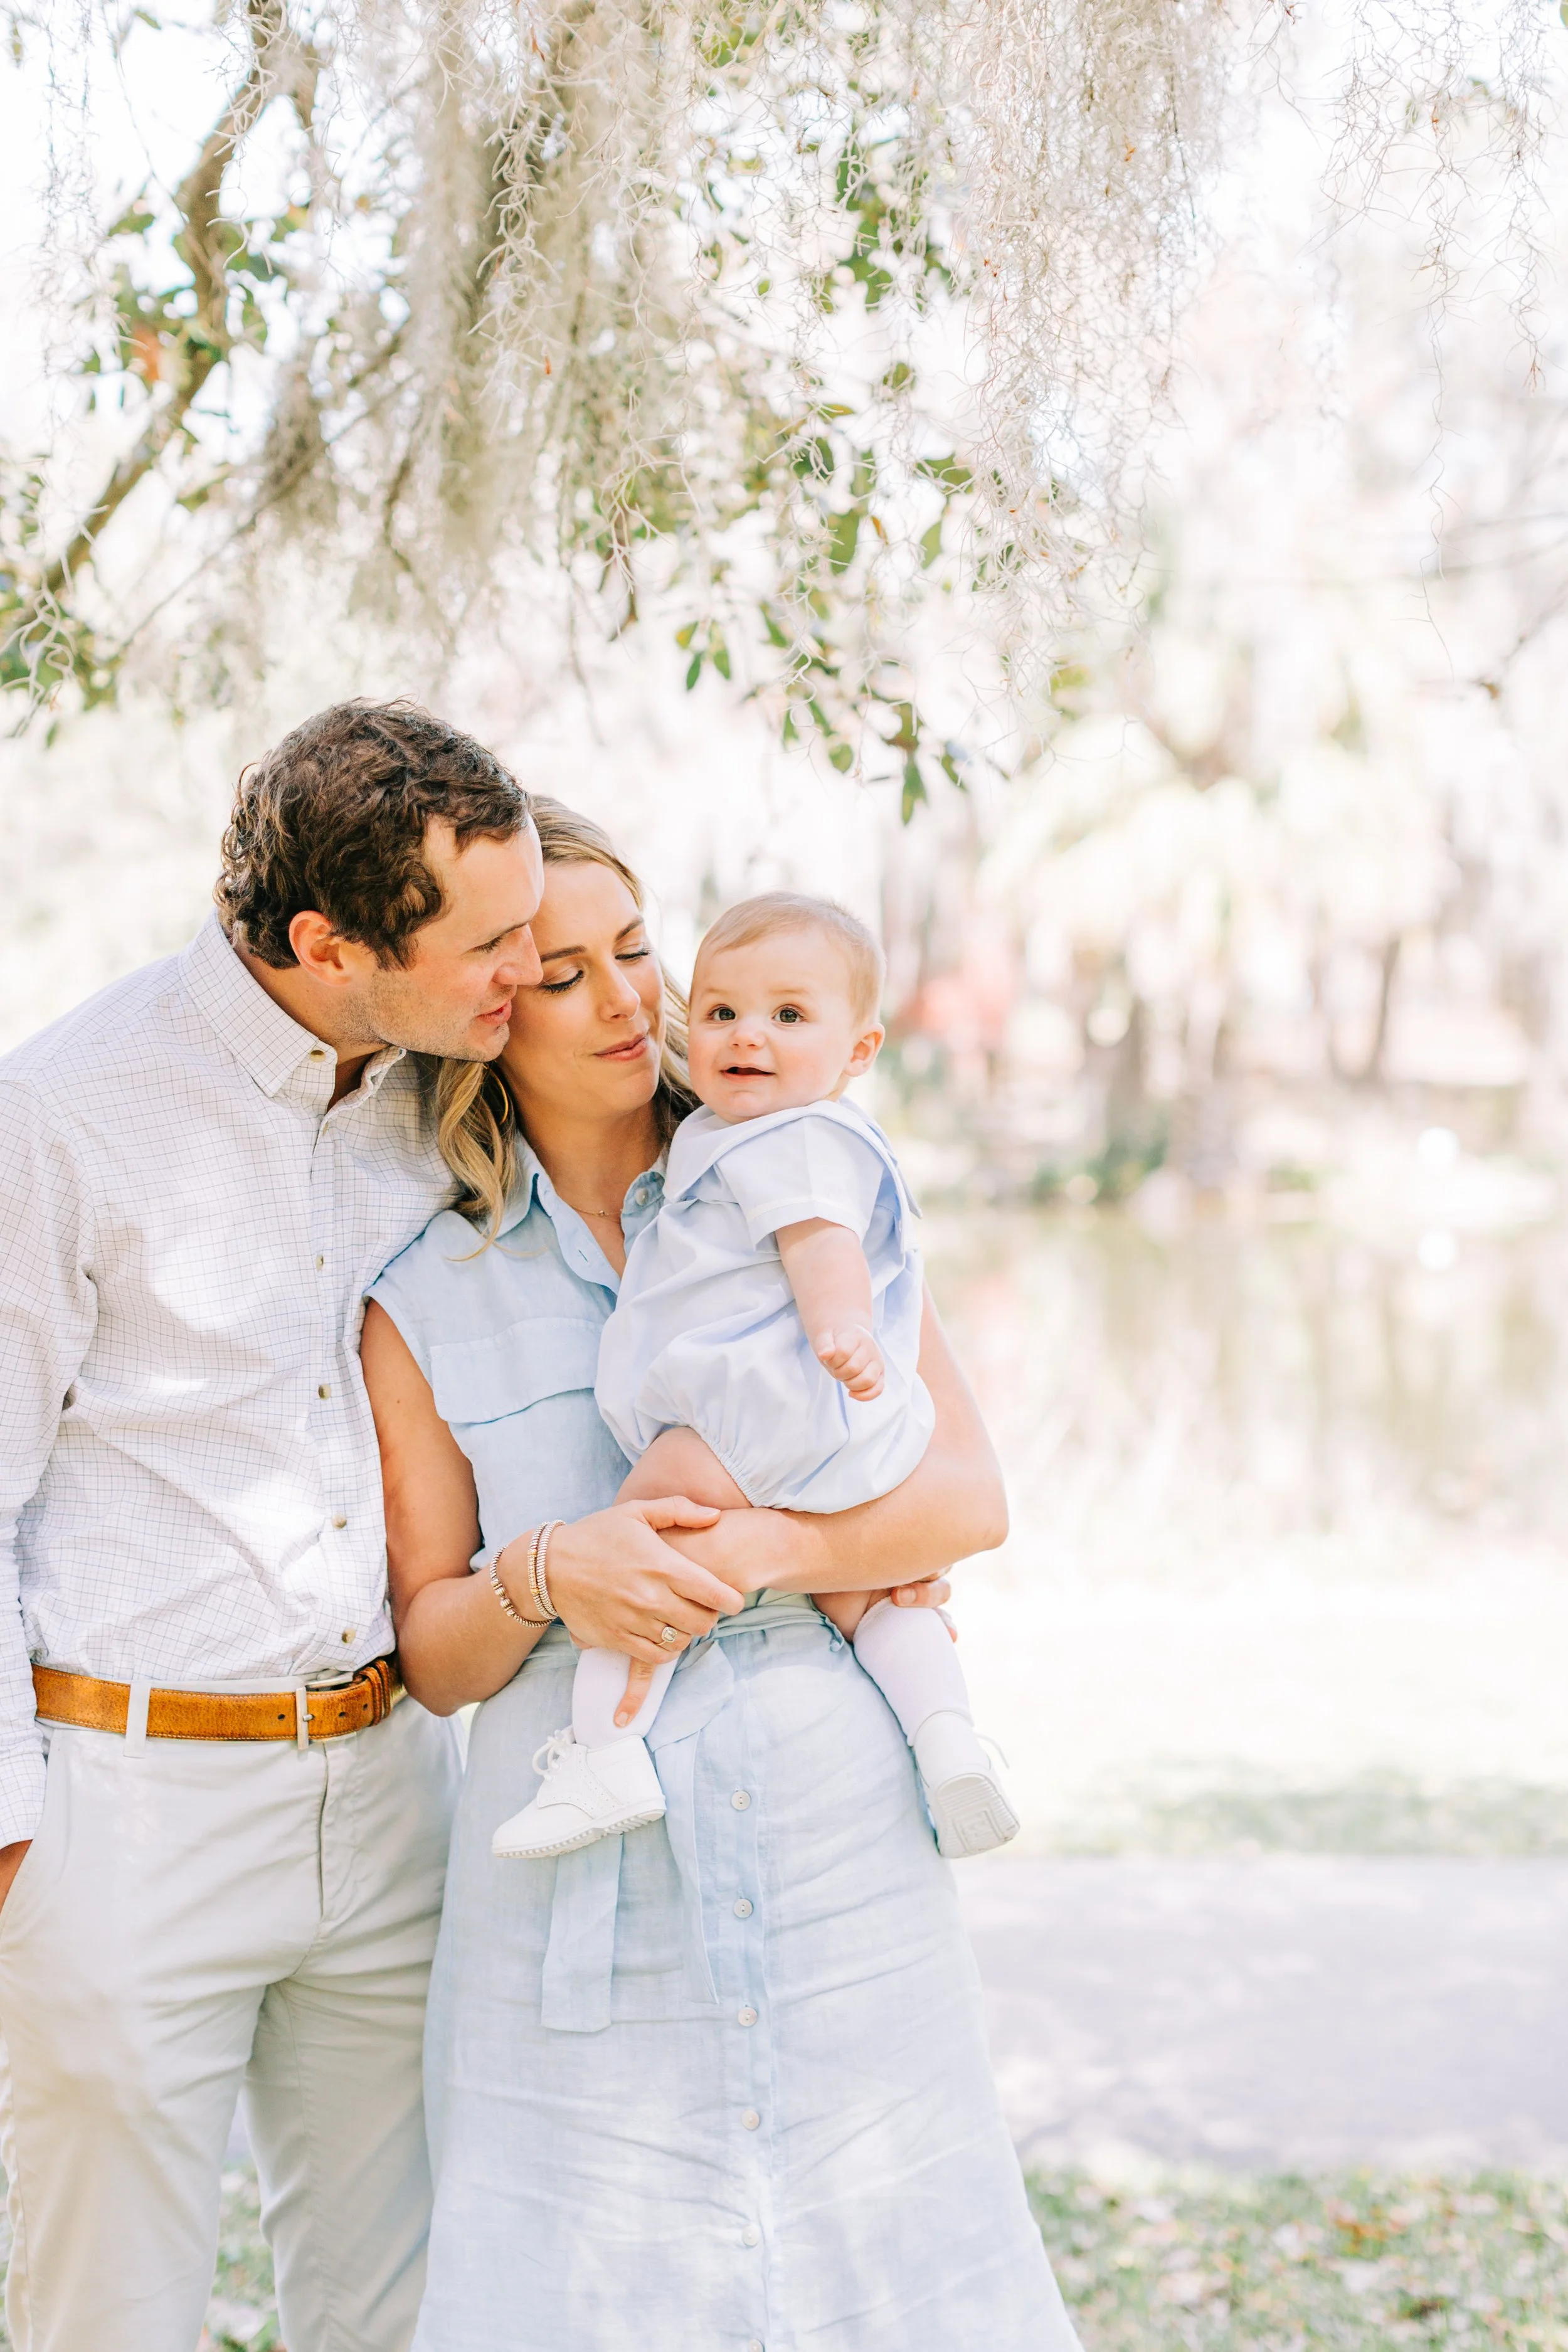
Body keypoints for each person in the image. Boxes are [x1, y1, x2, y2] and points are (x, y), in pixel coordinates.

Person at [0, 706, 742, 2352]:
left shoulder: (445, 1085)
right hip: (130, 1808)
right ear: (329, 946)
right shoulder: (62, 1114)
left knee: (407, 2311)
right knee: (109, 2317)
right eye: (492, 943)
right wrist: (16, 1849)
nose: (526, 969)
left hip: (399, 1793)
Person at [363, 800, 1083, 2351]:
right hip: (577, 1880)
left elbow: (965, 1498)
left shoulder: (812, 1176)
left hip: (838, 1851)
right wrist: (548, 1574)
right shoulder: (424, 1292)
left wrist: (772, 1551)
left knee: (895, 2289)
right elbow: (432, 1653)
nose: (628, 1000)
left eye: (637, 951)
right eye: (562, 975)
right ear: (487, 1014)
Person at [493, 888, 1018, 1865]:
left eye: (788, 1015)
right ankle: (948, 1741)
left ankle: (605, 1751)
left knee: (641, 1537)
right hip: (830, 1428)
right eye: (724, 1010)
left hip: (760, 1410)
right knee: (876, 1597)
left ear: (858, 1050)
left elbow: (821, 1243)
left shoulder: (788, 1135)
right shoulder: (749, 1130)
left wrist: (840, 1328)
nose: (747, 1035)